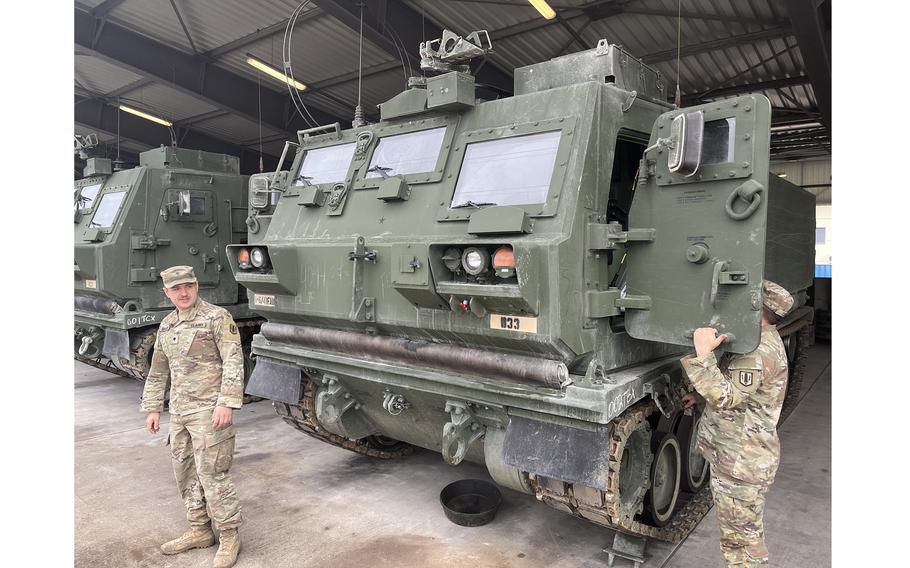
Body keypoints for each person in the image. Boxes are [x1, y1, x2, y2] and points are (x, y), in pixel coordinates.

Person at [679, 280, 794, 567]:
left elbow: (727, 397)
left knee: (742, 545)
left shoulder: (758, 350)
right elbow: (742, 395)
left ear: (758, 308)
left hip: (741, 465)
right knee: (738, 539)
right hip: (739, 459)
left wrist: (703, 354)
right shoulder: (758, 340)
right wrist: (699, 398)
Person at [141, 265, 245, 568]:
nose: (183, 293)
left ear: (197, 286)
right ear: (167, 293)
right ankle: (200, 530)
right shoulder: (168, 324)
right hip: (181, 412)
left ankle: (229, 535)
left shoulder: (216, 317)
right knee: (184, 471)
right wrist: (153, 407)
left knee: (213, 473)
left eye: (188, 286)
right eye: (176, 289)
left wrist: (226, 402)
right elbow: (158, 369)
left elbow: (233, 359)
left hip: (210, 411)